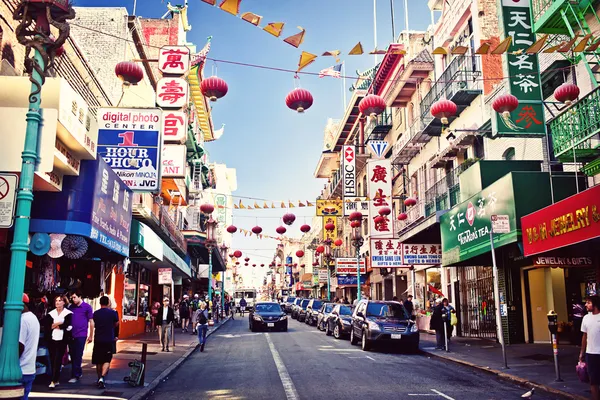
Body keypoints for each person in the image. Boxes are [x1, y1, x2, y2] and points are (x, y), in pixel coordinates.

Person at [44, 295, 73, 388]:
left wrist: (58, 325)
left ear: (64, 302)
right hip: (52, 339)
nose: (57, 302)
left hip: (62, 340)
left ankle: (54, 380)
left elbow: (68, 325)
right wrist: (59, 324)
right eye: (56, 300)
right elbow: (48, 325)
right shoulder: (51, 313)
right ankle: (54, 378)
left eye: (60, 301)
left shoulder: (68, 313)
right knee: (52, 359)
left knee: (58, 359)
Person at [92, 296, 119, 389]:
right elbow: (116, 324)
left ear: (100, 303)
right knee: (107, 359)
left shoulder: (96, 313)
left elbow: (93, 324)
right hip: (109, 339)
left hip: (98, 339)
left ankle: (99, 378)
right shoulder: (113, 313)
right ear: (108, 303)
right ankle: (102, 378)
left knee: (98, 360)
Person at [68, 290, 94, 383]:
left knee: (78, 354)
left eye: (75, 297)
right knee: (72, 354)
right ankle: (77, 371)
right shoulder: (71, 307)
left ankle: (75, 375)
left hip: (81, 334)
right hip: (71, 334)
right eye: (72, 298)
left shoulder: (87, 307)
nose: (73, 299)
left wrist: (91, 335)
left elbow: (91, 321)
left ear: (80, 297)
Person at [20, 293, 39, 400]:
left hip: (21, 369)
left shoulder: (23, 320)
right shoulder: (33, 318)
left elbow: (20, 345)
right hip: (30, 368)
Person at [580, 295, 600, 399]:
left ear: (595, 304)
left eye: (588, 302)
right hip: (591, 354)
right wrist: (581, 353)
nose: (586, 304)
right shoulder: (586, 318)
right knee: (594, 381)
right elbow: (585, 336)